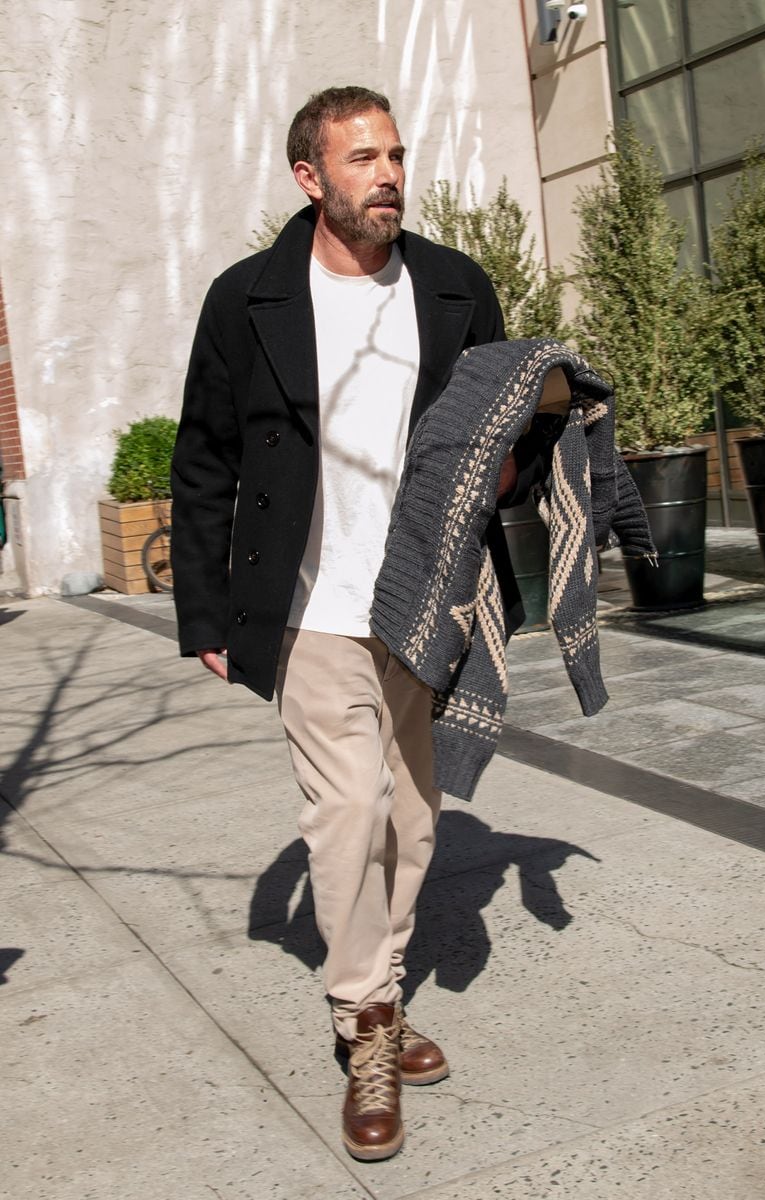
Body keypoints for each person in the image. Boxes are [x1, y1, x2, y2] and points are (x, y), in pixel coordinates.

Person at [171, 85, 547, 1161]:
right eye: (361, 158)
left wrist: (519, 466)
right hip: (309, 608)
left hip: (426, 600)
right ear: (310, 178)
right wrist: (206, 607)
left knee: (416, 819)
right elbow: (205, 462)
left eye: (393, 153)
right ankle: (366, 1022)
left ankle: (375, 988)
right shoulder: (246, 301)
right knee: (346, 816)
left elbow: (496, 432)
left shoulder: (452, 287)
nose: (385, 174)